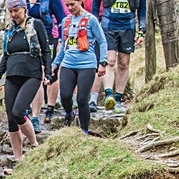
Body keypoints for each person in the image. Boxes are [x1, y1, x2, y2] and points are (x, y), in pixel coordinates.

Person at [0, 0, 52, 160]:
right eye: (11, 11)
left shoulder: (36, 24)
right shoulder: (9, 30)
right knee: (11, 118)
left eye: (16, 11)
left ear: (24, 9)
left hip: (31, 73)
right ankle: (18, 158)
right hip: (12, 75)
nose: (13, 15)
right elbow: (5, 56)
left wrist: (48, 73)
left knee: (18, 112)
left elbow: (45, 51)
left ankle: (34, 145)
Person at [50, 0, 107, 133]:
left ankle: (84, 130)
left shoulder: (91, 19)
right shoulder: (65, 21)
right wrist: (54, 64)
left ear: (80, 2)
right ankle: (69, 113)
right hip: (68, 64)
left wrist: (103, 62)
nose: (70, 8)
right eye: (67, 5)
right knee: (65, 96)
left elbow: (102, 41)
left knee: (82, 99)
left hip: (86, 64)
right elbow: (64, 47)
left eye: (72, 4)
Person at [92, 0, 145, 113]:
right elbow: (95, 4)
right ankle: (108, 95)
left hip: (128, 26)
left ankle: (118, 99)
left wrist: (142, 29)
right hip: (108, 25)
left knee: (123, 64)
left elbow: (142, 7)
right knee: (110, 60)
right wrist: (94, 26)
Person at [28, 0, 67, 128]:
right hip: (29, 40)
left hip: (48, 37)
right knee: (35, 73)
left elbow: (62, 20)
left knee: (50, 71)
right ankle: (33, 111)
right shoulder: (23, 2)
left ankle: (50, 107)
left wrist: (61, 40)